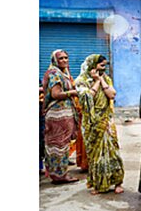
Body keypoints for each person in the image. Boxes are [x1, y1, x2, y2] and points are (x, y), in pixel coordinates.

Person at [75, 54, 125, 194]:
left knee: (112, 151)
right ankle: (98, 184)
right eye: (101, 65)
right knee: (95, 154)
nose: (104, 67)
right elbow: (87, 97)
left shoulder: (106, 78)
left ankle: (117, 182)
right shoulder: (81, 80)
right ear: (92, 65)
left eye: (105, 65)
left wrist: (101, 80)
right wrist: (96, 81)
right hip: (91, 122)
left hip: (106, 120)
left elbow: (112, 94)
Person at [41, 49, 80, 184]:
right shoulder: (55, 74)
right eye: (61, 58)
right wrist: (73, 93)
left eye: (66, 58)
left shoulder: (62, 73)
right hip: (58, 115)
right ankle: (60, 175)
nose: (64, 60)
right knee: (59, 145)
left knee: (58, 145)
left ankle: (56, 173)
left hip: (62, 114)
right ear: (55, 60)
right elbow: (56, 94)